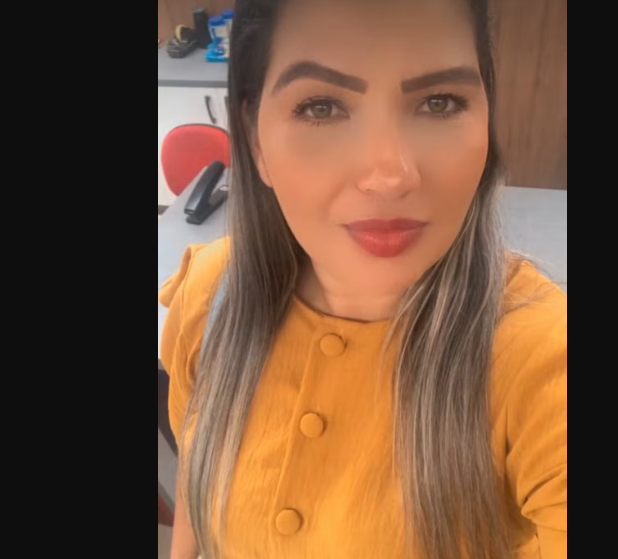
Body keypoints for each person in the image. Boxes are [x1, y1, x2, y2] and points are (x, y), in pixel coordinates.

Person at [159, 0, 567, 557]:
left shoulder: (543, 361)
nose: (389, 175)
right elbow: (197, 466)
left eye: (439, 102)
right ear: (255, 142)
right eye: (321, 107)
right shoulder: (211, 295)